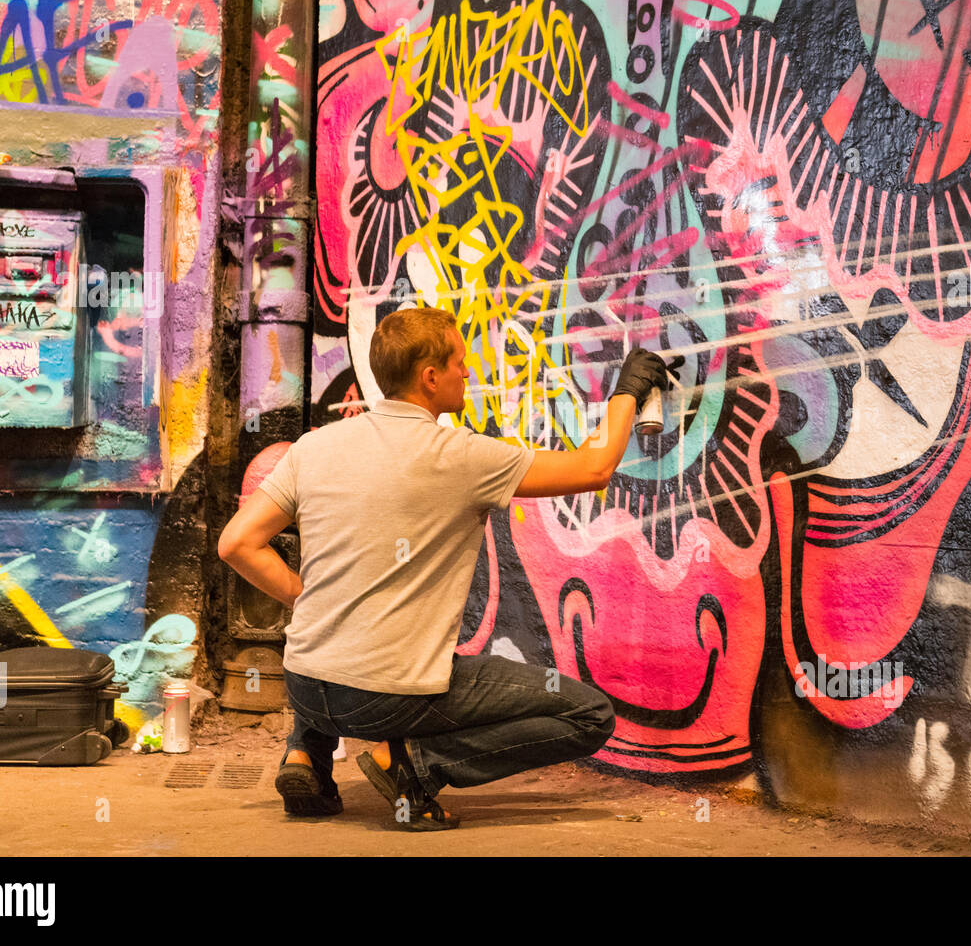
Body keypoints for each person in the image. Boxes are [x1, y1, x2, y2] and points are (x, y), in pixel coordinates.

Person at [218, 307, 668, 830]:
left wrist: (306, 596)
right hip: (385, 702)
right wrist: (627, 392)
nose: (467, 374)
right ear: (430, 378)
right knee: (590, 715)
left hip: (304, 686)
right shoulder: (461, 456)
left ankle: (306, 755)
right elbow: (593, 468)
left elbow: (236, 544)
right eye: (459, 363)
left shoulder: (315, 445)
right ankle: (419, 765)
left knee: (343, 626)